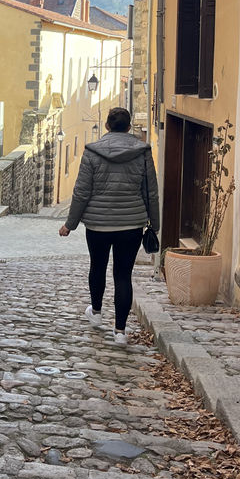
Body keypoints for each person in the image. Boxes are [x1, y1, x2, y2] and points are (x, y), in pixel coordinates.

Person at [58, 106, 159, 346]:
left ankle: (96, 311)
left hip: (98, 224)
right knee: (123, 275)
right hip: (131, 224)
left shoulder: (92, 152)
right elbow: (151, 192)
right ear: (129, 126)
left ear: (107, 126)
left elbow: (82, 191)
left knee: (98, 267)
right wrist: (155, 223)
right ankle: (120, 332)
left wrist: (69, 225)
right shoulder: (142, 152)